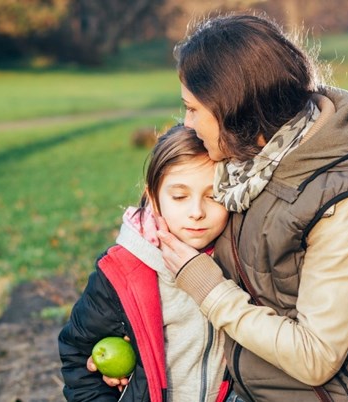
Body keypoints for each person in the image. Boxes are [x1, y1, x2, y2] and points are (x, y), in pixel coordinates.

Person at [151, 13, 348, 402]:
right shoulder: (246, 168)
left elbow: (315, 357)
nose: (187, 123)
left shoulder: (345, 200)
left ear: (235, 108)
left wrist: (208, 287)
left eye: (194, 109)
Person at [58, 124, 232, 402]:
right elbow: (79, 360)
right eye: (179, 196)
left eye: (213, 196)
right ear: (153, 197)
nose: (197, 212)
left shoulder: (240, 259)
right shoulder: (121, 273)